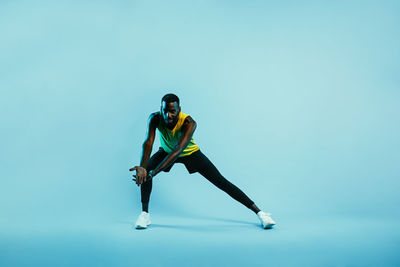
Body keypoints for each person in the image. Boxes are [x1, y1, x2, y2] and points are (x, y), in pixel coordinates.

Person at [129, 93, 276, 229]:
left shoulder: (189, 122)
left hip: (189, 153)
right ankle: (145, 215)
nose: (169, 115)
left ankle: (260, 213)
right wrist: (143, 168)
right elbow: (148, 142)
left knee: (222, 182)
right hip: (166, 152)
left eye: (173, 111)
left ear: (179, 110)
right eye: (165, 111)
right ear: (160, 109)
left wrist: (153, 173)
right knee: (145, 171)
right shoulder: (154, 118)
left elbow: (178, 150)